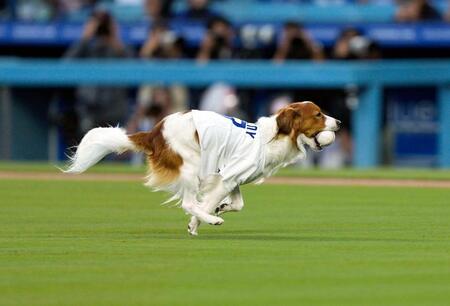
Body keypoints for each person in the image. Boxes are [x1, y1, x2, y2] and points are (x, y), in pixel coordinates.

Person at [65, 10, 133, 137]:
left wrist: (115, 38)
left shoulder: (120, 48)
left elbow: (136, 70)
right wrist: (85, 38)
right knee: (87, 150)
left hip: (114, 108)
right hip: (88, 107)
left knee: (114, 150)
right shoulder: (85, 48)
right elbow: (65, 66)